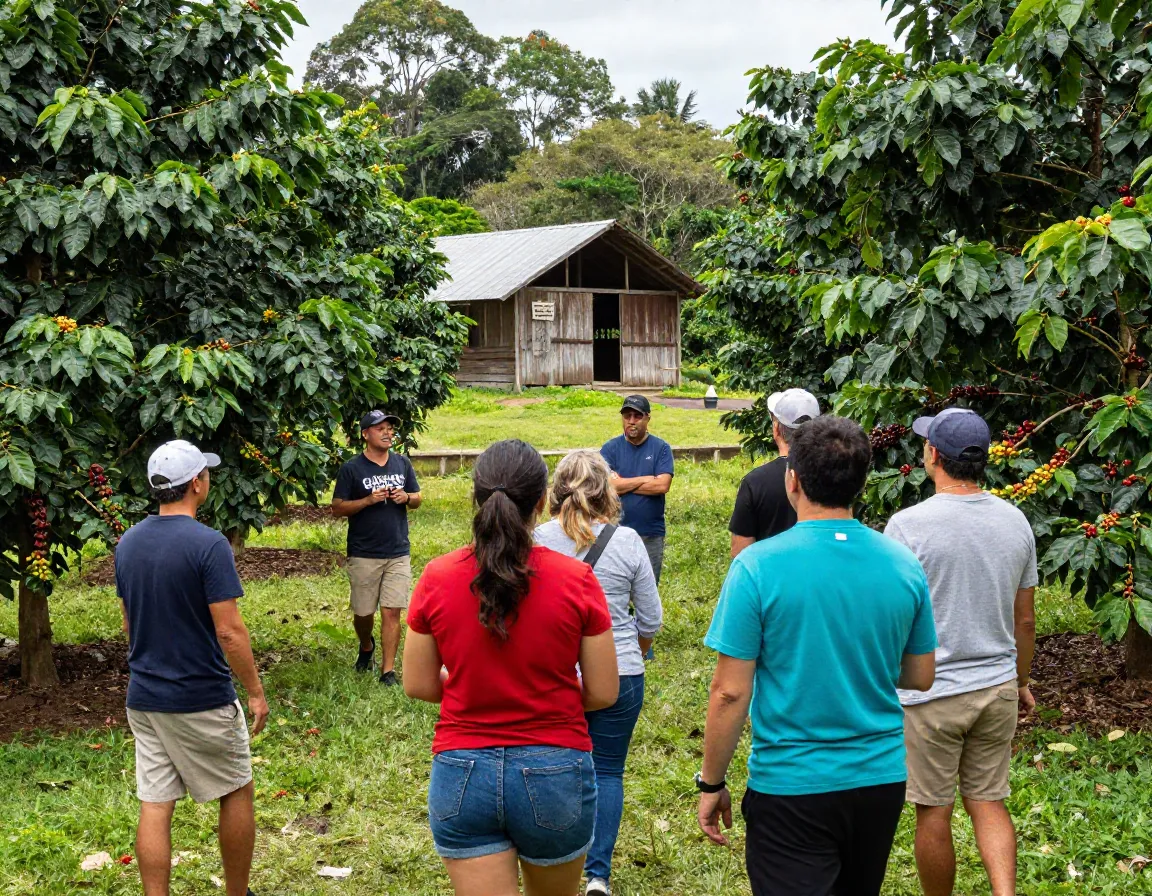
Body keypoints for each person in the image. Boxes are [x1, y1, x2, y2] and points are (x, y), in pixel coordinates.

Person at [696, 416, 937, 896]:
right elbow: (920, 675)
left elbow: (729, 691)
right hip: (880, 779)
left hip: (792, 783)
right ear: (862, 482)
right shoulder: (902, 563)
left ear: (793, 479)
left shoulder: (756, 567)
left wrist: (711, 783)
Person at [402, 439, 620, 896]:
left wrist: (471, 684)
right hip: (555, 770)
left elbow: (418, 684)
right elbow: (602, 692)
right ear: (543, 501)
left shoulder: (437, 577)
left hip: (462, 772)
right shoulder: (577, 580)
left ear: (476, 499)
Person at [884, 408, 1038, 896]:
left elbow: (891, 618)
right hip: (997, 689)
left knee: (934, 810)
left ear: (933, 455)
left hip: (932, 694)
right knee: (989, 801)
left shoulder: (907, 527)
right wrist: (1022, 680)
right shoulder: (1016, 521)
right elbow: (1026, 619)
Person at [116, 440, 269, 896]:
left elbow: (129, 622)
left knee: (156, 802)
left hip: (144, 698)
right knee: (237, 788)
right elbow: (230, 633)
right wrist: (256, 691)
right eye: (207, 474)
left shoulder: (128, 542)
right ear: (197, 484)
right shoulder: (209, 544)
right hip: (200, 697)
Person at [534, 451, 663, 896]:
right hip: (621, 671)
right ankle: (597, 875)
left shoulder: (536, 540)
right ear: (607, 490)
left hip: (553, 674)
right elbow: (650, 619)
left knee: (554, 767)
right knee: (607, 771)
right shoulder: (627, 542)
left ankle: (553, 861)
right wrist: (637, 652)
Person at [331, 410, 422, 685]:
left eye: (390, 428)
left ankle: (388, 671)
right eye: (380, 428)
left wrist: (406, 497)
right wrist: (367, 501)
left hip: (398, 550)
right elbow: (337, 507)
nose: (387, 433)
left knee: (392, 610)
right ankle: (366, 645)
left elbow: (417, 498)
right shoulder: (352, 469)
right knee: (364, 613)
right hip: (363, 552)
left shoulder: (402, 464)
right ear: (365, 434)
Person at [729, 388, 822, 558]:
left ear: (776, 429)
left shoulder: (755, 482)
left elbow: (740, 555)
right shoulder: (835, 475)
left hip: (770, 581)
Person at [600, 395, 673, 584]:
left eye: (637, 416)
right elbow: (608, 486)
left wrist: (623, 484)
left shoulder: (661, 448)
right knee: (616, 589)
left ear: (648, 418)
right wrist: (645, 479)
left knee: (648, 590)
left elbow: (662, 485)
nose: (631, 421)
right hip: (614, 532)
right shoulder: (609, 449)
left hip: (650, 533)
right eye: (627, 416)